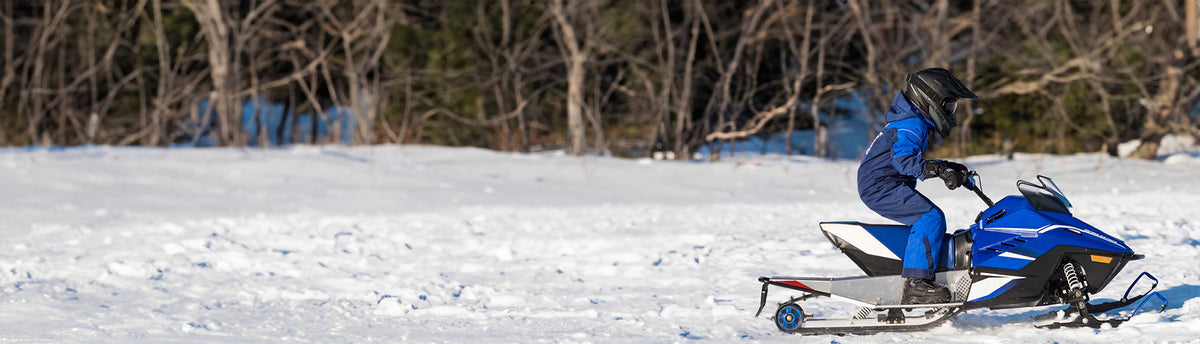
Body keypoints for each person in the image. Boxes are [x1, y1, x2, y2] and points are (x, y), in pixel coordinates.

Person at [856, 68, 978, 304]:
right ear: (931, 99)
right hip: (880, 186)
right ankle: (916, 285)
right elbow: (904, 162)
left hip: (881, 183)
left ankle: (921, 270)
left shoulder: (911, 120)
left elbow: (907, 158)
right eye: (948, 105)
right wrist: (939, 171)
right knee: (930, 218)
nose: (950, 112)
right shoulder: (912, 124)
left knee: (927, 218)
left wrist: (945, 166)